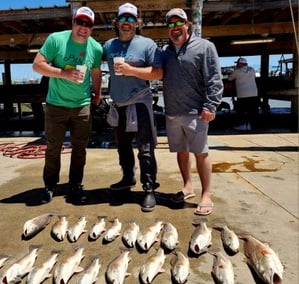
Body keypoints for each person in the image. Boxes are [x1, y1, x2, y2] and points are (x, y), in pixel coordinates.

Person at [32, 6, 102, 205]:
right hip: (56, 104)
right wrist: (64, 73)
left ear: (92, 28)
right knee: (53, 147)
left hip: (82, 105)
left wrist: (98, 93)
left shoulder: (95, 48)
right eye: (80, 22)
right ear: (73, 23)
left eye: (88, 24)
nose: (83, 27)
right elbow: (37, 65)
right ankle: (49, 185)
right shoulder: (56, 39)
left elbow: (96, 72)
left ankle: (76, 184)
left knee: (80, 148)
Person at [161, 8, 223, 216]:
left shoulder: (205, 47)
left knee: (201, 152)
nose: (175, 28)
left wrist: (211, 105)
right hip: (172, 112)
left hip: (197, 112)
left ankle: (207, 194)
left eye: (179, 23)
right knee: (181, 151)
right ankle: (187, 186)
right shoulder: (165, 52)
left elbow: (214, 78)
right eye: (170, 24)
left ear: (187, 24)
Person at [103, 2, 163, 212]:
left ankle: (149, 188)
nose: (126, 23)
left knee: (145, 148)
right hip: (118, 104)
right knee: (123, 147)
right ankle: (128, 178)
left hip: (140, 102)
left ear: (137, 23)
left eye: (131, 19)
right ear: (117, 22)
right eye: (123, 19)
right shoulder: (108, 45)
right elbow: (91, 59)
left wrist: (131, 70)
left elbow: (158, 73)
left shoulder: (147, 44)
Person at [228, 57, 258, 131]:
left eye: (238, 63)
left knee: (242, 111)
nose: (237, 65)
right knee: (251, 111)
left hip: (242, 95)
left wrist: (233, 71)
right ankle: (250, 125)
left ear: (241, 64)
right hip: (254, 93)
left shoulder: (237, 71)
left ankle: (242, 125)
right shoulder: (252, 69)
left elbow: (230, 78)